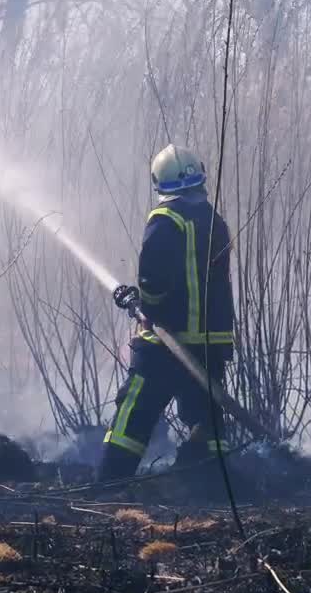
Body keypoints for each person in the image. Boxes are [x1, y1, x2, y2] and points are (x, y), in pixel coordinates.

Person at [98, 144, 237, 481]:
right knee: (206, 417)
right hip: (210, 343)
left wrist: (146, 307)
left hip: (167, 340)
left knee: (135, 411)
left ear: (159, 182)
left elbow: (153, 279)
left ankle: (110, 482)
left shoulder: (165, 220)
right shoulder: (215, 221)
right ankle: (217, 488)